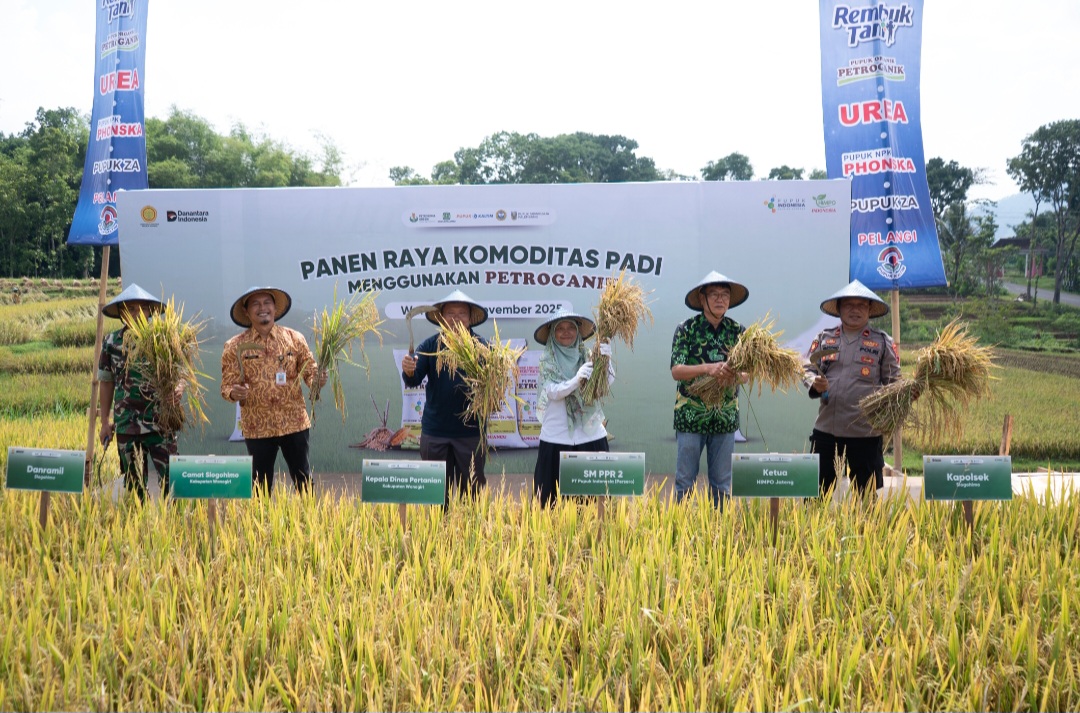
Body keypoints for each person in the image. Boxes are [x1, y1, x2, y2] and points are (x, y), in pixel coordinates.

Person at [220, 286, 326, 493]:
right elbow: (226, 386)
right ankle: (263, 524)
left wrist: (317, 379)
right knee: (260, 487)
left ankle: (309, 522)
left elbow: (310, 371)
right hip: (257, 426)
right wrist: (235, 393)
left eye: (267, 303)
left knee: (303, 480)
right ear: (247, 312)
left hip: (294, 422)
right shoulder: (234, 346)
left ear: (275, 308)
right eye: (256, 304)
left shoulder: (294, 338)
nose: (263, 308)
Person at [803, 279, 901, 496]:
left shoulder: (883, 342)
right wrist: (814, 382)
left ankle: (868, 531)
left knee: (866, 499)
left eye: (861, 305)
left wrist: (905, 394)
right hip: (827, 431)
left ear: (869, 310)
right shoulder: (824, 338)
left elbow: (895, 382)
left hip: (865, 433)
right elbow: (807, 370)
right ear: (838, 309)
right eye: (848, 305)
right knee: (815, 496)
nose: (854, 310)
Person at [401, 290, 490, 506]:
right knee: (436, 497)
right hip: (436, 433)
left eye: (462, 313)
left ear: (470, 318)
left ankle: (471, 537)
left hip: (470, 435)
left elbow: (492, 389)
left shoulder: (483, 348)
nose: (456, 318)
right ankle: (437, 538)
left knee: (472, 496)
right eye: (450, 313)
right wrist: (409, 369)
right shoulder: (430, 347)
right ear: (441, 318)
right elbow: (413, 379)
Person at [670, 271, 750, 508]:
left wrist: (734, 375)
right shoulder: (686, 329)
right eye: (714, 294)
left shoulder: (738, 331)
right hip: (691, 417)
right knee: (685, 482)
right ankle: (678, 537)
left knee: (722, 484)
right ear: (702, 299)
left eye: (725, 295)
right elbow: (677, 370)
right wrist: (708, 369)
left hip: (725, 419)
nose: (720, 299)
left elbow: (747, 374)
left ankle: (719, 538)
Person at [97, 284, 181, 498]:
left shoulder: (163, 339)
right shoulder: (111, 342)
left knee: (173, 482)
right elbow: (106, 382)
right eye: (131, 309)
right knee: (134, 486)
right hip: (127, 423)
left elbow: (179, 376)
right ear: (122, 313)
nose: (137, 314)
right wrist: (105, 422)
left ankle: (172, 526)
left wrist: (178, 389)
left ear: (150, 312)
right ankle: (139, 527)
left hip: (160, 422)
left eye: (142, 309)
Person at [532, 309, 614, 507]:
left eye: (571, 327)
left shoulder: (588, 355)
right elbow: (553, 392)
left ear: (578, 331)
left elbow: (605, 384)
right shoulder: (546, 361)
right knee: (551, 506)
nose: (566, 332)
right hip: (556, 438)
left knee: (595, 506)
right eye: (560, 328)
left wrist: (607, 361)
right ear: (552, 333)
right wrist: (576, 380)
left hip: (590, 436)